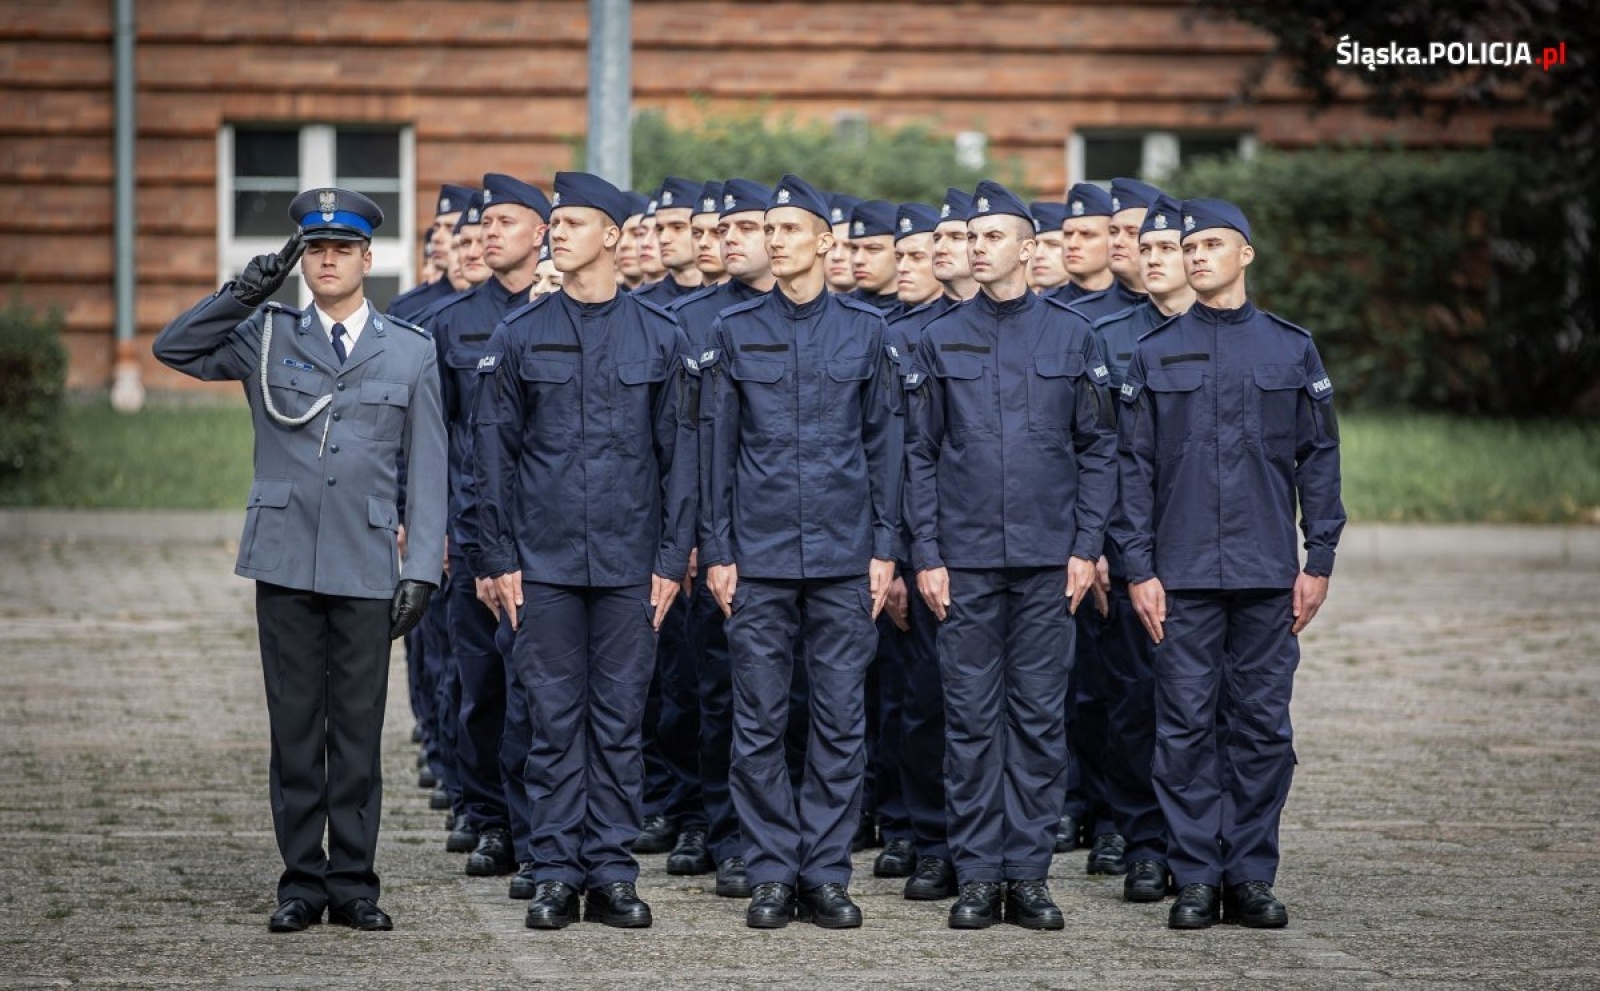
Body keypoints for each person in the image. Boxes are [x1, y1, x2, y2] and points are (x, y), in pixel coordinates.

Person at [152, 188, 446, 933]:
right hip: (285, 558)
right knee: (293, 729)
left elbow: (431, 470)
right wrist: (246, 289)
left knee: (356, 730)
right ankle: (301, 882)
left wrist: (423, 571)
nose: (326, 260)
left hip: (365, 561)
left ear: (366, 259)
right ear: (300, 260)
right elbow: (175, 347)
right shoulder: (267, 334)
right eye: (314, 250)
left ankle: (353, 882)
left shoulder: (409, 349)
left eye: (341, 249)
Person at [473, 171, 697, 931]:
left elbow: (682, 459)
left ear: (613, 235)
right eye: (554, 222)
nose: (556, 233)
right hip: (545, 562)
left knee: (619, 719)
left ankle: (609, 871)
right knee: (552, 718)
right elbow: (492, 455)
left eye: (572, 222)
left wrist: (671, 560)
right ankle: (555, 868)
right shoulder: (519, 335)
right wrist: (496, 555)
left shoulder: (661, 338)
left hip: (633, 563)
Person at [1113, 198, 1344, 930]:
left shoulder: (1289, 348)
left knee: (1262, 728)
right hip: (1179, 575)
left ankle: (1248, 874)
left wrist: (1322, 556)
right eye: (1191, 246)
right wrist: (1139, 568)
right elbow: (1132, 468)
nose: (1199, 255)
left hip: (1267, 571)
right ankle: (1194, 875)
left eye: (1214, 244)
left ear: (1245, 254)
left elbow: (1320, 456)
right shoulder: (1153, 354)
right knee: (1180, 728)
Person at [904, 179, 1116, 931]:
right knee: (967, 718)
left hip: (1046, 561)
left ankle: (1025, 875)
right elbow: (920, 455)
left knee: (1035, 719)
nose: (975, 249)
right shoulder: (938, 338)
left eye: (991, 238)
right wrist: (926, 553)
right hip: (961, 562)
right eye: (970, 239)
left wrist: (1087, 547)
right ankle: (976, 873)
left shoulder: (1072, 336)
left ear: (1030, 249)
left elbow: (1098, 449)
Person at [699, 174, 902, 930]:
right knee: (757, 720)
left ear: (824, 240)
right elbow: (714, 451)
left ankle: (824, 870)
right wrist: (717, 547)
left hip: (847, 555)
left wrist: (886, 546)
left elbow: (887, 445)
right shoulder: (734, 331)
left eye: (789, 229)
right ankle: (771, 870)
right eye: (769, 230)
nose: (775, 239)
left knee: (840, 718)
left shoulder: (866, 331)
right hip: (758, 554)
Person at [657, 178, 776, 898]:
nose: (727, 239)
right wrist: (695, 535)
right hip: (716, 539)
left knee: (786, 703)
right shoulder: (691, 320)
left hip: (791, 542)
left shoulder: (808, 314)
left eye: (743, 228)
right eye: (720, 229)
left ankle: (782, 833)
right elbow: (687, 443)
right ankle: (721, 826)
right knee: (716, 692)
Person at [432, 173, 552, 889]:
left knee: (542, 691)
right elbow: (436, 437)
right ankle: (490, 819)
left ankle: (542, 824)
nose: (488, 233)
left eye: (506, 221)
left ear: (542, 231)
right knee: (479, 687)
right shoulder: (453, 322)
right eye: (484, 222)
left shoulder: (561, 313)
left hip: (547, 536)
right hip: (475, 529)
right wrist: (436, 523)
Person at [1083, 192, 1193, 904]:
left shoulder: (1246, 338)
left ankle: (1203, 844)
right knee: (1135, 703)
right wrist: (1092, 542)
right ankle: (1145, 839)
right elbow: (1091, 450)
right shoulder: (1112, 338)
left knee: (1206, 706)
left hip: (1212, 551)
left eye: (1166, 248)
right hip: (1131, 550)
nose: (1151, 259)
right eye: (1143, 249)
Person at [879, 201, 959, 901]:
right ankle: (924, 833)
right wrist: (901, 557)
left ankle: (989, 846)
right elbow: (896, 460)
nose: (916, 263)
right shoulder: (895, 338)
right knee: (924, 702)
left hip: (993, 549)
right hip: (919, 551)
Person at [634, 176, 704, 306]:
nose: (664, 239)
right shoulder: (639, 305)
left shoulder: (732, 300)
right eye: (660, 229)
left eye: (677, 227)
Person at [847, 200, 902, 314]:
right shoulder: (837, 311)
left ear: (899, 253)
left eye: (873, 249)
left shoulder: (922, 312)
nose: (858, 260)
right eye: (854, 249)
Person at [931, 188, 980, 303]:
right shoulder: (920, 320)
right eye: (937, 239)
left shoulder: (1011, 318)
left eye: (956, 237)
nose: (939, 249)